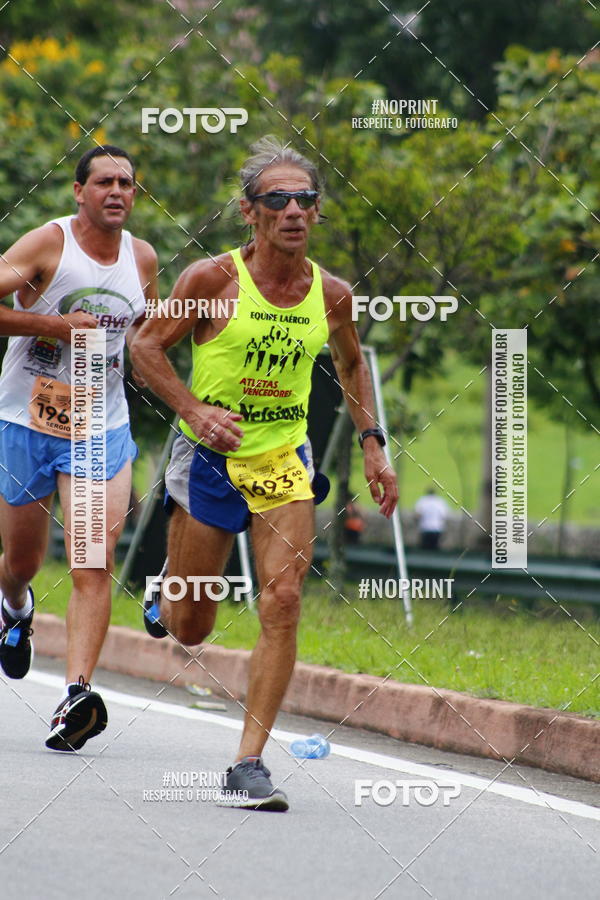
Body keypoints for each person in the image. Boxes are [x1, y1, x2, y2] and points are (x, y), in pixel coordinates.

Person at [131, 136, 398, 812]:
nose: (294, 211)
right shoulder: (210, 281)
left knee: (281, 600)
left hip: (283, 458)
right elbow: (145, 347)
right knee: (192, 628)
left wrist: (372, 445)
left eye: (305, 199)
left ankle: (248, 762)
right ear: (249, 212)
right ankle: (165, 596)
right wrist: (194, 408)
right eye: (277, 200)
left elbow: (351, 364)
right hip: (210, 457)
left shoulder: (332, 295)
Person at [0, 145, 157, 751]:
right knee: (21, 561)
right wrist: (52, 325)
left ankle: (75, 697)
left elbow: (139, 336)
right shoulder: (47, 244)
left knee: (93, 562)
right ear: (79, 191)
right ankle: (14, 608)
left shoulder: (141, 258)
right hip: (27, 420)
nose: (117, 191)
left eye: (127, 183)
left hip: (98, 425)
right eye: (104, 182)